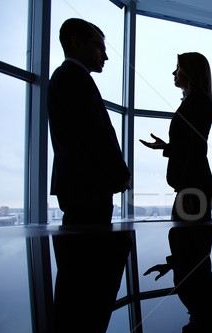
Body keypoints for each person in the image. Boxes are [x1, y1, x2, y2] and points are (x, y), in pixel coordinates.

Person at [48, 18, 130, 225]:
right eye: (98, 47)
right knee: (92, 250)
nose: (106, 56)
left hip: (80, 184)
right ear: (76, 43)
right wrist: (121, 174)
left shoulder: (66, 77)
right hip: (88, 184)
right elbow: (95, 134)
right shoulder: (74, 78)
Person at [141, 52, 212, 221]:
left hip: (193, 187)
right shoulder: (193, 101)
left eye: (178, 68)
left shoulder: (197, 101)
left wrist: (188, 189)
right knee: (188, 242)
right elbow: (188, 144)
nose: (174, 73)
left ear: (190, 72)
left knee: (185, 243)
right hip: (193, 185)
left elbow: (196, 148)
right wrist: (166, 146)